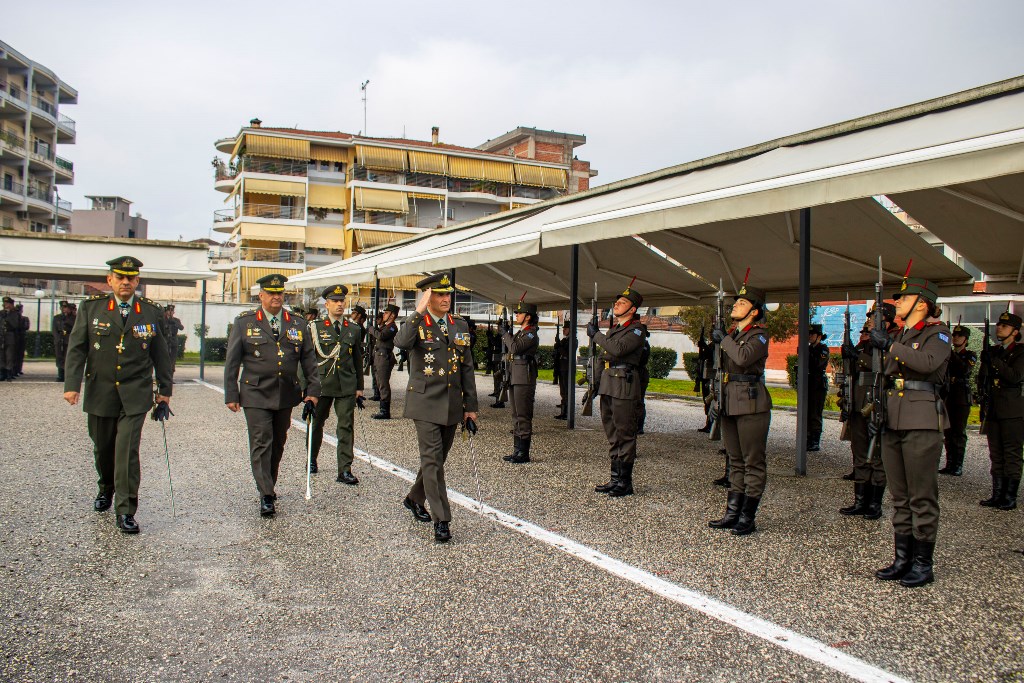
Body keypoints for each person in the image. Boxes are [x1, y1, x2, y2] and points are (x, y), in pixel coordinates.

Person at [63, 256, 173, 534]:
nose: (125, 282)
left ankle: (126, 510)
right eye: (119, 277)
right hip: (100, 391)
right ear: (109, 280)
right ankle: (106, 486)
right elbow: (77, 348)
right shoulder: (91, 308)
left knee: (126, 451)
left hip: (135, 393)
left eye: (131, 278)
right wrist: (72, 384)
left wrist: (164, 391)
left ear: (137, 282)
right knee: (103, 448)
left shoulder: (150, 312)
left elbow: (161, 354)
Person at [870, 276, 950, 588]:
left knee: (921, 495)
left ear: (923, 303)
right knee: (900, 495)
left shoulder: (938, 334)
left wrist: (890, 344)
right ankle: (902, 558)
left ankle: (922, 563)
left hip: (921, 419)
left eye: (904, 298)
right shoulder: (900, 333)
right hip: (894, 418)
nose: (898, 303)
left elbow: (928, 363)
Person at [223, 273, 320, 517]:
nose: (276, 297)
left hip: (286, 393)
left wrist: (312, 392)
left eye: (280, 293)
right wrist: (231, 393)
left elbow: (308, 360)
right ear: (261, 295)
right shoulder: (245, 322)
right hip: (255, 392)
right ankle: (266, 494)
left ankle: (269, 485)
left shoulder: (297, 323)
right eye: (271, 293)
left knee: (277, 444)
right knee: (261, 441)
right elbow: (232, 361)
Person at [394, 273, 478, 543]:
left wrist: (470, 407)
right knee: (432, 461)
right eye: (439, 294)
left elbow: (467, 368)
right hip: (425, 402)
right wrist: (418, 310)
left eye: (447, 294)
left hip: (452, 404)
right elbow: (401, 343)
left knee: (436, 460)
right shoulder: (418, 323)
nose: (445, 299)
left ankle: (413, 498)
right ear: (428, 297)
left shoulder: (458, 325)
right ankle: (442, 519)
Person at [707, 283, 771, 536]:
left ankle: (747, 516)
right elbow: (722, 370)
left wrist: (723, 338)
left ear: (755, 311)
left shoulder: (759, 336)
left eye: (742, 303)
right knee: (734, 460)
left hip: (751, 402)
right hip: (729, 401)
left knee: (752, 461)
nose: (736, 305)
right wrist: (715, 399)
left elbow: (743, 359)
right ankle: (732, 513)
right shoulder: (732, 335)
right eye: (736, 303)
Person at [838, 303, 896, 519]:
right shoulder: (866, 344)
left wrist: (858, 357)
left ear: (886, 322)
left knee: (877, 455)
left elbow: (887, 366)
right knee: (860, 453)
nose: (869, 320)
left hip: (878, 404)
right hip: (859, 404)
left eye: (873, 317)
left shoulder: (891, 342)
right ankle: (860, 501)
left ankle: (875, 503)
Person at [589, 287, 647, 497]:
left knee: (625, 434)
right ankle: (615, 479)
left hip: (624, 385)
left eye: (622, 302)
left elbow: (618, 350)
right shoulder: (614, 330)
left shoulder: (637, 330)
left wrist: (596, 335)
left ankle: (625, 482)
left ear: (632, 309)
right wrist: (594, 384)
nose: (616, 305)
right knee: (612, 434)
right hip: (608, 384)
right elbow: (604, 357)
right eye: (617, 302)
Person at [307, 284, 364, 484]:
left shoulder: (354, 329)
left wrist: (359, 387)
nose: (340, 304)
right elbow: (307, 358)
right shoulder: (315, 327)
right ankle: (311, 459)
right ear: (327, 304)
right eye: (335, 301)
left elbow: (358, 358)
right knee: (316, 423)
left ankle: (344, 469)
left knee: (346, 426)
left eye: (342, 301)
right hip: (322, 384)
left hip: (346, 384)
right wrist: (307, 387)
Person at [979, 311, 1024, 510]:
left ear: (1015, 332)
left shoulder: (1021, 352)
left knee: (1012, 453)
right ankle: (997, 494)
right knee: (996, 454)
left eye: (1004, 326)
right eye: (998, 325)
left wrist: (993, 361)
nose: (999, 328)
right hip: (995, 408)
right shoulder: (995, 351)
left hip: (1013, 409)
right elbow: (986, 380)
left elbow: (1015, 376)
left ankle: (1009, 496)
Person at [502, 299, 539, 464]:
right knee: (516, 414)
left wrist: (505, 334)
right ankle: (517, 450)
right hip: (515, 376)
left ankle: (523, 453)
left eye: (520, 313)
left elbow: (515, 348)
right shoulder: (520, 332)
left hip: (524, 377)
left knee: (523, 415)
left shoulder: (531, 333)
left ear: (528, 317)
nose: (517, 315)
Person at [940, 324, 976, 476]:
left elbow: (964, 369)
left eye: (959, 336)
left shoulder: (970, 355)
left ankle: (958, 465)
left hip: (961, 397)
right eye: (954, 335)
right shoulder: (948, 355)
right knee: (948, 432)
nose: (955, 338)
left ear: (966, 339)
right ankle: (949, 463)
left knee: (959, 432)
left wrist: (949, 353)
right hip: (949, 396)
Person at [369, 304, 399, 420]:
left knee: (383, 383)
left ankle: (385, 411)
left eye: (386, 313)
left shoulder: (392, 327)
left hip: (384, 356)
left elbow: (381, 336)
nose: (384, 315)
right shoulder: (385, 326)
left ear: (392, 315)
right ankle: (382, 408)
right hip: (378, 356)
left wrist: (372, 329)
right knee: (379, 381)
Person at [806, 323, 830, 452]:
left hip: (818, 383)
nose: (810, 336)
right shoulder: (809, 348)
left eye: (812, 334)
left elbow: (818, 364)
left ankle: (815, 440)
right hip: (809, 382)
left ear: (819, 336)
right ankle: (808, 437)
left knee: (815, 412)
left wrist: (809, 354)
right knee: (807, 411)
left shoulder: (823, 349)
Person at [53, 300, 75, 382]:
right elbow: (54, 330)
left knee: (68, 357)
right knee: (59, 357)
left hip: (69, 339)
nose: (64, 309)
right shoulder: (57, 318)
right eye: (62, 307)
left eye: (66, 307)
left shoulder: (73, 318)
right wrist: (57, 339)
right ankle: (60, 375)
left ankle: (67, 375)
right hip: (59, 339)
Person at [554, 320, 572, 419]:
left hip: (567, 367)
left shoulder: (573, 340)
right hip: (561, 367)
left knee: (566, 390)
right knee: (562, 390)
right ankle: (563, 410)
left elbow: (567, 354)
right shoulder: (565, 340)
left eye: (565, 328)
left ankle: (566, 412)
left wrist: (559, 346)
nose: (564, 330)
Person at [635, 327, 652, 435]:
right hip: (637, 373)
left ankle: (639, 426)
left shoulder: (644, 345)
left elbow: (641, 359)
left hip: (640, 374)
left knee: (639, 401)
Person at [0, 296, 20, 381]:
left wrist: (7, 317)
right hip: (1, 335)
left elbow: (15, 325)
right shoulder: (1, 313)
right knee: (1, 355)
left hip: (10, 335)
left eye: (8, 303)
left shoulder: (14, 314)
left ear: (11, 305)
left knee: (9, 355)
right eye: (5, 303)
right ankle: (1, 372)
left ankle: (9, 372)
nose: (6, 305)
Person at [163, 305, 184, 375]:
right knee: (164, 360)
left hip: (173, 341)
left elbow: (181, 327)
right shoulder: (163, 319)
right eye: (169, 310)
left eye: (172, 311)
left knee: (172, 360)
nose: (171, 312)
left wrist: (174, 322)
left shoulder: (176, 320)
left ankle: (171, 377)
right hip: (165, 341)